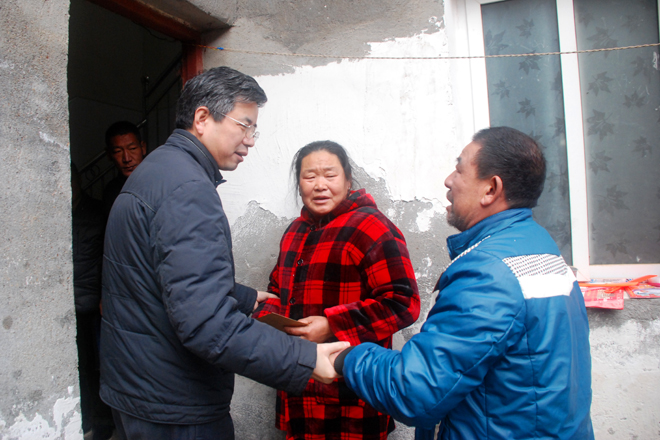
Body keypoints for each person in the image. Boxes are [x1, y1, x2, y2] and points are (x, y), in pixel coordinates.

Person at [99, 67, 346, 440]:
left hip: (137, 386)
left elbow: (155, 274)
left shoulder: (157, 170)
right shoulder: (188, 190)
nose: (250, 141)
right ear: (202, 118)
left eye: (254, 130)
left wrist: (241, 296)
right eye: (244, 125)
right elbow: (206, 325)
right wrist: (304, 358)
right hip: (174, 404)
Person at [332, 127, 594, 439]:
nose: (448, 180)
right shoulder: (538, 244)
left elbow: (415, 390)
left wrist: (347, 358)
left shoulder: (488, 273)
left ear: (490, 189)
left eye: (459, 170)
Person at [253, 140, 420, 440]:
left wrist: (332, 325)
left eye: (330, 175)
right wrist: (273, 318)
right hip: (299, 384)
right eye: (309, 176)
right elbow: (277, 290)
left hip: (350, 392)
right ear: (299, 184)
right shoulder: (294, 232)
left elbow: (403, 302)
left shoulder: (370, 226)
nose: (320, 185)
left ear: (347, 180)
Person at [71, 164, 115, 440]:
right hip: (70, 306)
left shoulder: (97, 212)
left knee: (100, 366)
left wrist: (105, 294)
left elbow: (108, 257)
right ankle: (85, 419)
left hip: (95, 304)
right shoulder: (57, 213)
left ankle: (103, 421)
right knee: (80, 367)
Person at [102, 121, 147, 216]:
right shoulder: (111, 191)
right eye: (118, 151)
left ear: (143, 148)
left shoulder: (159, 182)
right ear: (109, 154)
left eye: (132, 148)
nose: (127, 158)